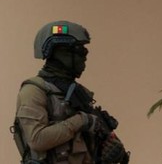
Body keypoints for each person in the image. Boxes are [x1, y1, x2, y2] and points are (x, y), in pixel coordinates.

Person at [13, 21, 129, 164]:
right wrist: (81, 121)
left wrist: (112, 154)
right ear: (61, 53)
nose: (85, 57)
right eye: (80, 52)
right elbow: (37, 140)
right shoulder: (34, 91)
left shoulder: (78, 93)